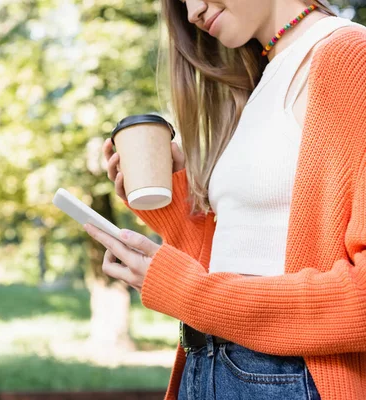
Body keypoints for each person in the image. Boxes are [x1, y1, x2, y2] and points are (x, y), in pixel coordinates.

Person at [83, 1, 366, 399]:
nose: (194, 11)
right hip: (209, 364)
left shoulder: (349, 56)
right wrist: (174, 201)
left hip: (287, 378)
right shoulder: (265, 80)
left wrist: (185, 292)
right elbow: (236, 264)